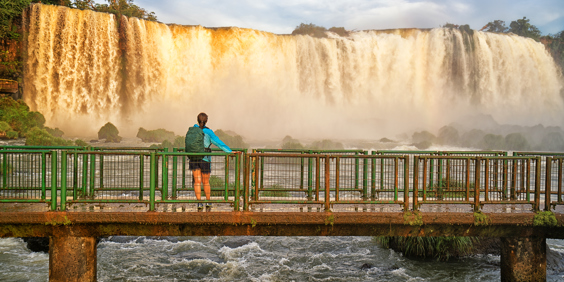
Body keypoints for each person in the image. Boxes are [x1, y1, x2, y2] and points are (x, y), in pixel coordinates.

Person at [189, 112, 232, 210]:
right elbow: (219, 143)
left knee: (197, 181)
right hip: (205, 159)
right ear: (206, 121)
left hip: (194, 158)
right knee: (206, 182)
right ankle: (208, 201)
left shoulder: (192, 130)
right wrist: (229, 151)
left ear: (197, 120)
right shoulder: (208, 132)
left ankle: (199, 203)